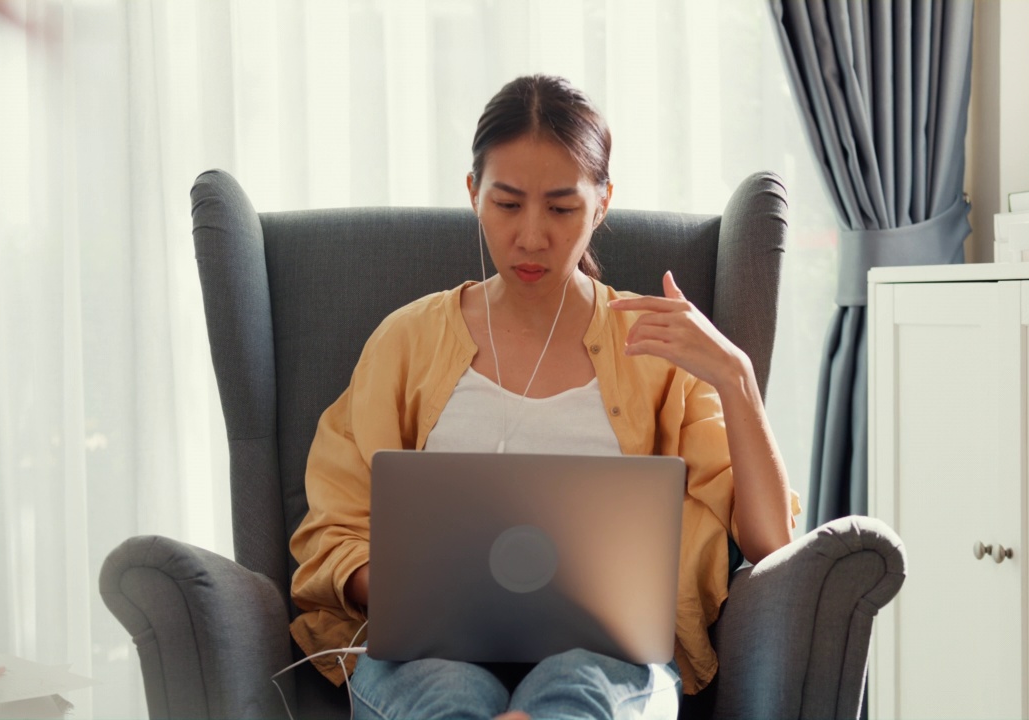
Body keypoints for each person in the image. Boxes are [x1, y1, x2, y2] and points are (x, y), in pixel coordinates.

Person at [288, 74, 798, 720]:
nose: (532, 237)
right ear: (473, 194)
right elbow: (332, 528)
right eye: (506, 204)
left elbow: (772, 542)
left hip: (604, 658)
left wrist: (737, 377)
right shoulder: (406, 342)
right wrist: (402, 586)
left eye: (562, 208)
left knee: (577, 697)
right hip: (427, 654)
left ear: (604, 201)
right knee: (445, 699)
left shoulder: (658, 352)